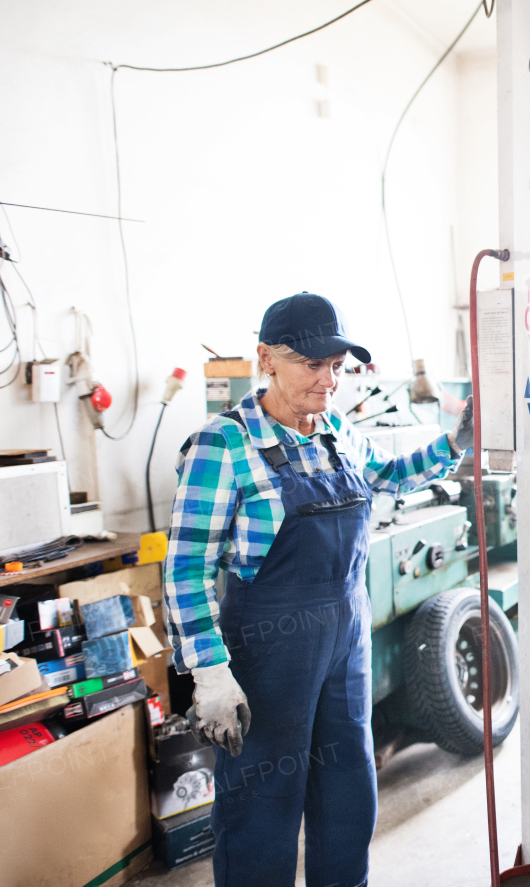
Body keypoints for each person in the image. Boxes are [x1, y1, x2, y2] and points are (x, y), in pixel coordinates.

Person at [162, 292, 473, 887]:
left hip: (345, 642)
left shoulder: (336, 430)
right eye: (313, 364)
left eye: (337, 366)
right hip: (268, 649)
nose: (329, 380)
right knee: (263, 806)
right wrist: (209, 672)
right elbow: (184, 569)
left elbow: (388, 476)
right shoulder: (221, 445)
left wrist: (453, 444)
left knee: (348, 794)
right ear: (266, 359)